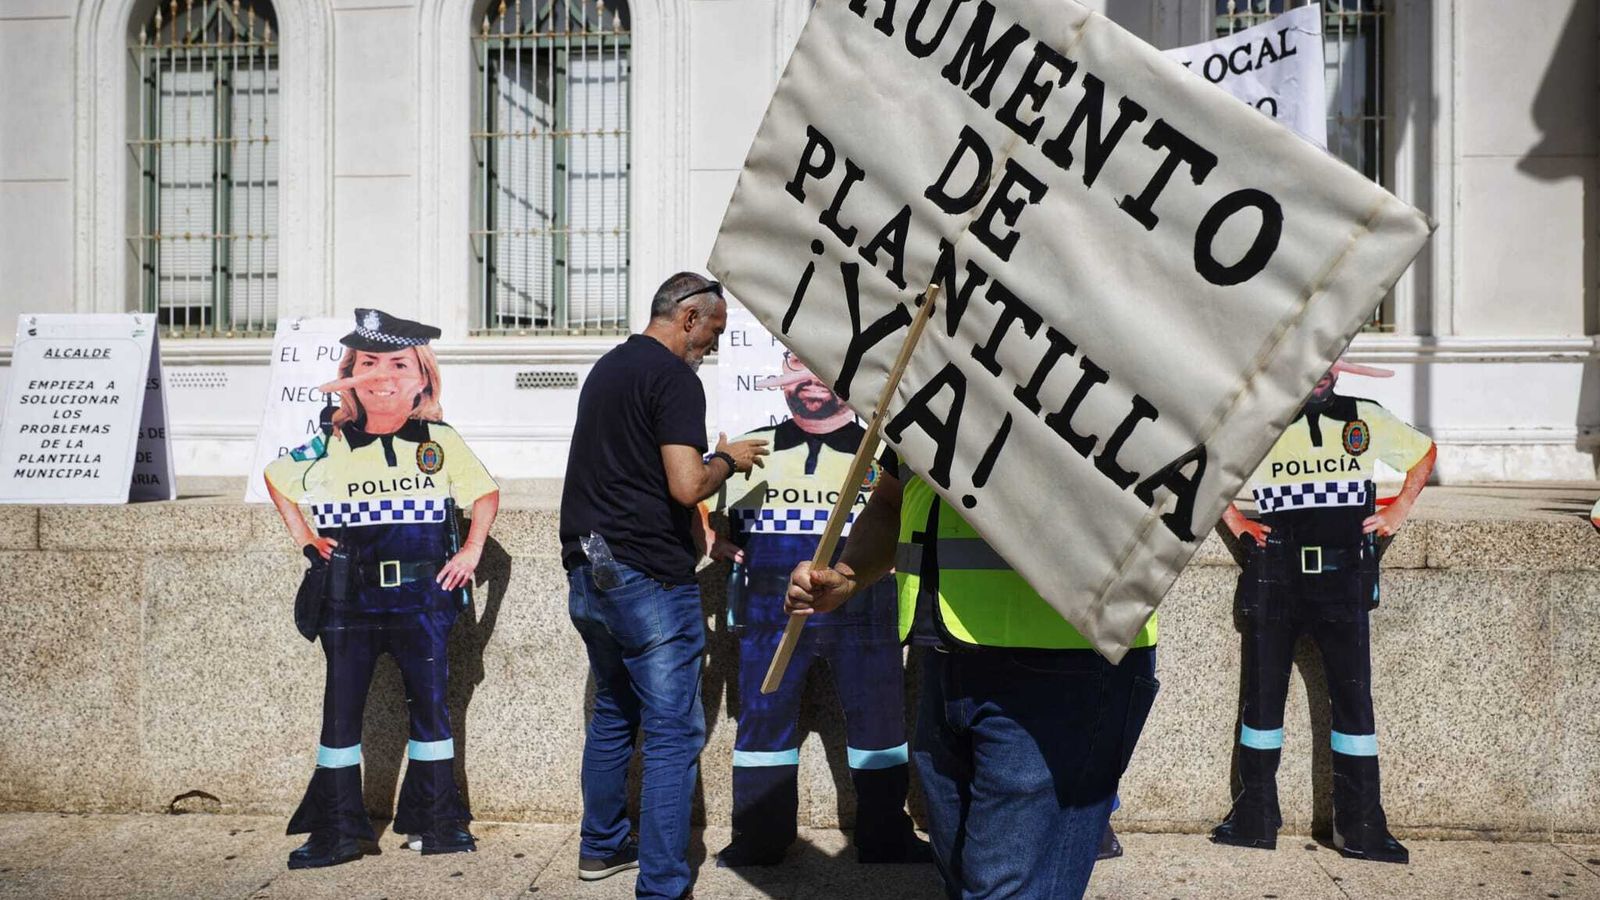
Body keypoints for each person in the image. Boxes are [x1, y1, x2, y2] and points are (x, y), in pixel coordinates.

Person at [784, 449, 1159, 899]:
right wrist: (847, 575)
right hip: (947, 655)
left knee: (1005, 889)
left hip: (1065, 662)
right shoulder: (930, 384)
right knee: (962, 879)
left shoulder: (1100, 386)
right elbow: (891, 500)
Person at [265, 309, 500, 869]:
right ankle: (338, 831)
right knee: (339, 720)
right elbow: (278, 479)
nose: (383, 375)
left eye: (399, 363)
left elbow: (485, 495)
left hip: (423, 603)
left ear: (423, 377)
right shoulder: (332, 442)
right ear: (349, 373)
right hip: (350, 601)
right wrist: (305, 540)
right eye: (367, 363)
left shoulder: (438, 441)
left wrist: (470, 551)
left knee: (434, 716)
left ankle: (435, 821)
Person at [559, 272, 769, 900]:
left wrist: (702, 537)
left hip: (589, 574)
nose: (714, 345)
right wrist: (730, 460)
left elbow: (624, 475)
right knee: (674, 734)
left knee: (614, 714)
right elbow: (684, 484)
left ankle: (600, 849)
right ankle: (662, 886)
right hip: (647, 580)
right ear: (687, 317)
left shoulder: (609, 367)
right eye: (715, 331)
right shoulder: (675, 378)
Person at [703, 351, 930, 868]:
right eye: (796, 370)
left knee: (879, 720)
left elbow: (896, 521)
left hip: (864, 597)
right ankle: (759, 838)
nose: (810, 384)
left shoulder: (884, 453)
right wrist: (711, 538)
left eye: (822, 373)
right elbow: (709, 511)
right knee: (764, 720)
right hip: (771, 605)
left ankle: (884, 835)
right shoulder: (751, 448)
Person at [1211, 360, 1436, 864]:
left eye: (1331, 363)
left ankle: (1359, 826)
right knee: (1261, 700)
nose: (1322, 374)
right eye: (1314, 361)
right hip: (1276, 574)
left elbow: (1424, 454)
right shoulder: (1260, 420)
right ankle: (1254, 817)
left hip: (1343, 577)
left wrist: (1399, 507)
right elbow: (1207, 463)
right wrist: (1237, 522)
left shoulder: (1364, 416)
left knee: (1355, 704)